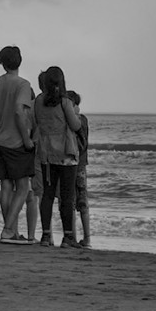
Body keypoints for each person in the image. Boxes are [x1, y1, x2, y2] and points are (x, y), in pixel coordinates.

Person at [0, 46, 37, 245]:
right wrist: (26, 139)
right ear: (19, 61)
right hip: (16, 143)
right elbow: (18, 111)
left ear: (2, 62)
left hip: (0, 142)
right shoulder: (23, 84)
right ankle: (8, 230)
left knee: (6, 185)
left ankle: (11, 230)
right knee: (22, 187)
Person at [32, 65, 82, 248]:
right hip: (66, 155)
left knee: (47, 195)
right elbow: (75, 125)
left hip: (46, 153)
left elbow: (36, 120)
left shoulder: (38, 101)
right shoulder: (65, 102)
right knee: (67, 196)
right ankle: (68, 237)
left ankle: (46, 235)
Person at [67, 90, 91, 248]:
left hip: (75, 164)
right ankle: (82, 238)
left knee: (76, 201)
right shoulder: (82, 119)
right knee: (78, 202)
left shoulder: (78, 120)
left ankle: (82, 238)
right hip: (79, 165)